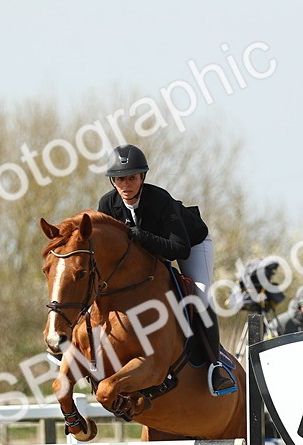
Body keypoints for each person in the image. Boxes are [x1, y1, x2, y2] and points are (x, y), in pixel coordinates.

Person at [96, 144, 237, 396]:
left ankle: (216, 366)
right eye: (120, 179)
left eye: (132, 178)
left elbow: (178, 249)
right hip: (150, 254)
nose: (126, 185)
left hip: (192, 244)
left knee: (200, 295)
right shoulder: (107, 205)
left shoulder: (159, 199)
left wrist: (141, 236)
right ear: (112, 181)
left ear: (142, 178)